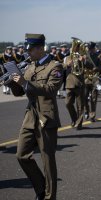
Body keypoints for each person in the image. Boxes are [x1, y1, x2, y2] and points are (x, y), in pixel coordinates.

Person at [6, 33, 63, 200]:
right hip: (30, 116)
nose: (28, 52)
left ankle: (49, 196)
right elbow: (20, 92)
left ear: (40, 48)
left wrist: (25, 82)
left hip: (46, 117)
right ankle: (41, 187)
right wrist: (12, 81)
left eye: (31, 49)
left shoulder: (55, 66)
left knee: (47, 160)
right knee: (21, 155)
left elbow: (51, 89)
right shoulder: (30, 66)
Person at [64, 38, 94, 130]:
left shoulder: (83, 56)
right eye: (74, 47)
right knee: (68, 103)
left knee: (80, 105)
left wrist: (84, 60)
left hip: (80, 83)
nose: (75, 49)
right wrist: (67, 64)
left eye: (77, 47)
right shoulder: (67, 58)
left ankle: (79, 123)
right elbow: (62, 67)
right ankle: (74, 119)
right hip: (69, 83)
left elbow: (91, 65)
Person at [84, 42, 101, 122]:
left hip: (94, 79)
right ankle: (86, 111)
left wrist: (97, 68)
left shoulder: (97, 57)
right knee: (84, 97)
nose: (91, 50)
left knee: (93, 98)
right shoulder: (84, 57)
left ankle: (92, 115)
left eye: (92, 48)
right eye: (89, 49)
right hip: (86, 79)